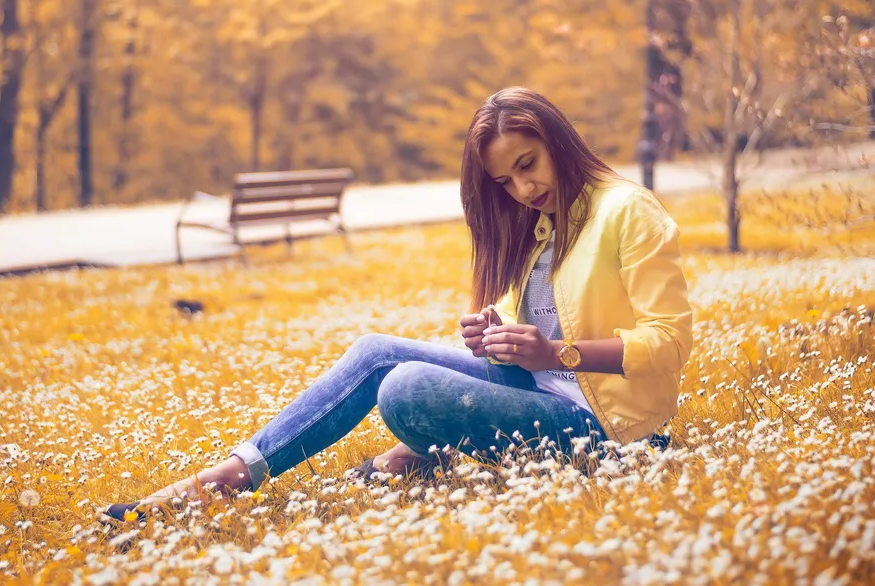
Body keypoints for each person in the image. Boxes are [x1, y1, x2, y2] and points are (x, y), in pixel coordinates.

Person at [100, 87, 693, 524]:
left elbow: (670, 343)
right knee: (375, 352)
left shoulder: (627, 211)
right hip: (540, 392)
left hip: (609, 431)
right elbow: (542, 327)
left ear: (557, 141)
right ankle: (231, 475)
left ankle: (411, 455)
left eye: (527, 166)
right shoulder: (544, 226)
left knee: (406, 388)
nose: (524, 190)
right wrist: (499, 332)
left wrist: (556, 351)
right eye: (506, 183)